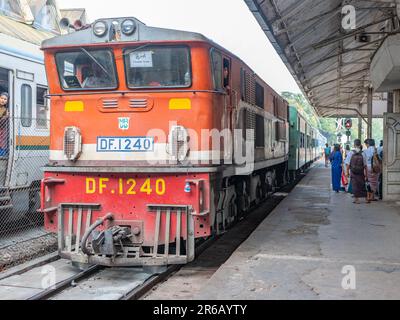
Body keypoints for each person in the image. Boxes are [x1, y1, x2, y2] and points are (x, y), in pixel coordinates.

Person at [347, 139, 367, 204]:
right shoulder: (363, 153)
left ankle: (357, 199)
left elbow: (348, 164)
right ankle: (366, 199)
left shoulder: (351, 152)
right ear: (360, 144)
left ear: (354, 144)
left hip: (353, 171)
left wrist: (347, 172)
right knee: (362, 184)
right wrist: (366, 174)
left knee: (355, 185)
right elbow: (365, 165)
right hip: (361, 171)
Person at [0, 92, 9, 157]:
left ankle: (2, 153)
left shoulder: (5, 109)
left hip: (2, 128)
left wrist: (5, 117)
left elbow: (2, 120)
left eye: (5, 99)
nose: (3, 100)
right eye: (1, 98)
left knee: (2, 141)